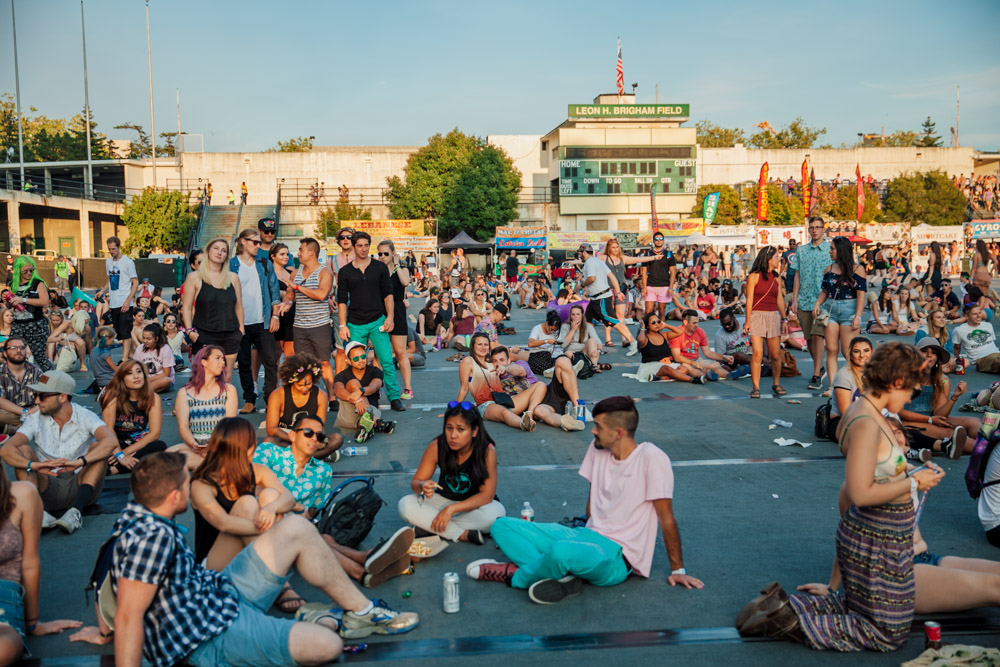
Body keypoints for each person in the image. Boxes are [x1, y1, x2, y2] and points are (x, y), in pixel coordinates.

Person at [79, 451, 418, 665]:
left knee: (296, 528)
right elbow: (128, 616)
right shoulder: (150, 539)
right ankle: (323, 620)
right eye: (185, 483)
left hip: (213, 593)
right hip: (207, 637)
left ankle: (362, 612)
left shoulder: (141, 510)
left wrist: (103, 632)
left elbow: (108, 577)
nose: (190, 485)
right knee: (327, 646)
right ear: (172, 496)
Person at [737, 342, 944, 650]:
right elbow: (859, 492)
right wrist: (913, 483)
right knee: (887, 631)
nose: (911, 398)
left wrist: (913, 471)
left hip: (879, 538)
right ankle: (786, 621)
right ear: (897, 382)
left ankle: (785, 606)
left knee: (860, 607)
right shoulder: (866, 422)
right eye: (912, 390)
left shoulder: (868, 412)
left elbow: (877, 467)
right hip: (876, 541)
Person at [467, 395, 703, 604]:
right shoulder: (597, 447)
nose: (593, 431)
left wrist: (678, 570)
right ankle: (553, 573)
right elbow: (593, 503)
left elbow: (666, 518)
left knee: (560, 552)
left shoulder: (651, 457)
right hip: (584, 535)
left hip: (617, 556)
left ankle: (515, 576)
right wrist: (583, 535)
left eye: (598, 427)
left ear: (619, 433)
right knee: (501, 526)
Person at [0, 370, 117, 535]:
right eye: (36, 395)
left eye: (42, 396)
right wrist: (34, 465)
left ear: (62, 397)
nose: (36, 401)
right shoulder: (35, 418)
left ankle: (76, 511)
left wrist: (80, 461)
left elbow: (111, 441)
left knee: (98, 447)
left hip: (81, 483)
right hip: (48, 483)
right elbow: (6, 449)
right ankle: (38, 512)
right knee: (22, 449)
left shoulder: (85, 415)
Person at [0, 472, 82, 663]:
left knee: (4, 649)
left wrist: (32, 623)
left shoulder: (22, 494)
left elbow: (29, 563)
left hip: (4, 604)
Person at [399, 401, 505, 544]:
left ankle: (432, 526)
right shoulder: (436, 446)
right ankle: (460, 534)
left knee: (495, 514)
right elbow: (416, 483)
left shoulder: (487, 450)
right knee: (405, 504)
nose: (453, 435)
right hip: (442, 501)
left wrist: (451, 510)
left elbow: (487, 496)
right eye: (449, 428)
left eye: (460, 429)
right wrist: (423, 485)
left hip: (473, 505)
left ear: (474, 431)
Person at [337, 232, 404, 412]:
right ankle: (363, 398)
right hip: (355, 324)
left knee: (387, 361)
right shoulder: (345, 272)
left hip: (377, 321)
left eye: (366, 245)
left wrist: (390, 317)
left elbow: (388, 294)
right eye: (360, 245)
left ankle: (394, 397)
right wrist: (342, 325)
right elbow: (341, 299)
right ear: (353, 247)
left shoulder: (379, 267)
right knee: (356, 363)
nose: (364, 249)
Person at [898, 337, 978, 459]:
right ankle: (987, 451)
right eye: (924, 351)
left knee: (974, 422)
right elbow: (899, 411)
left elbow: (939, 414)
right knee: (950, 433)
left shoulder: (943, 379)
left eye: (934, 352)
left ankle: (986, 447)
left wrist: (954, 398)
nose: (929, 355)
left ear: (937, 359)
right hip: (905, 421)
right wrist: (930, 420)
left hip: (932, 418)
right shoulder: (904, 376)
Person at [231, 228, 283, 415]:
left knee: (270, 362)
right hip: (240, 323)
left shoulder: (264, 263)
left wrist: (275, 316)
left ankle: (270, 399)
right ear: (243, 242)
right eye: (255, 242)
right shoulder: (231, 265)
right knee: (244, 363)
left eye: (259, 243)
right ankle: (249, 399)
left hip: (263, 321)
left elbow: (274, 291)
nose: (258, 246)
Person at [182, 238, 245, 382]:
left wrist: (241, 330)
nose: (219, 252)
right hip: (204, 334)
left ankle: (223, 399)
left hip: (230, 335)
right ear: (208, 251)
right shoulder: (194, 277)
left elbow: (239, 306)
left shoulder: (233, 278)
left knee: (226, 378)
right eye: (216, 248)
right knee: (203, 379)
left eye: (224, 250)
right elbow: (186, 307)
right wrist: (189, 331)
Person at [812, 236, 867, 395]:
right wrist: (817, 304)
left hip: (849, 310)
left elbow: (861, 294)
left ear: (841, 251)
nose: (830, 251)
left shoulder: (858, 269)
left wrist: (858, 317)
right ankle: (833, 387)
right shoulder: (829, 269)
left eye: (832, 249)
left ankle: (854, 385)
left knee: (848, 352)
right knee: (831, 350)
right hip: (830, 310)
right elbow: (825, 291)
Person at [169, 346, 238, 470]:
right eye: (217, 358)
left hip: (221, 445)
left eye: (223, 359)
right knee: (168, 454)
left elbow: (229, 426)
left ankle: (206, 463)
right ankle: (211, 464)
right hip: (196, 447)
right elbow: (183, 426)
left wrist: (212, 447)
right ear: (204, 362)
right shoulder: (184, 392)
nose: (223, 362)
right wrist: (194, 445)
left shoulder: (228, 390)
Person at [489, 346, 586, 432]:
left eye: (502, 360)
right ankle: (568, 423)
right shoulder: (493, 379)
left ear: (509, 361)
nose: (498, 364)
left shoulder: (520, 363)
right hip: (538, 406)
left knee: (562, 361)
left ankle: (578, 408)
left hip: (547, 391)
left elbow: (519, 371)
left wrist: (506, 368)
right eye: (495, 361)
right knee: (540, 411)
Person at [99, 360, 168, 475]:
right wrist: (119, 454)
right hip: (114, 444)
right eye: (130, 373)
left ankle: (115, 469)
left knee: (160, 446)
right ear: (122, 379)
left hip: (137, 446)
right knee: (95, 449)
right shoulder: (112, 395)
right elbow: (108, 430)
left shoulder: (153, 398)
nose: (136, 376)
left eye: (139, 371)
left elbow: (154, 434)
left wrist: (125, 453)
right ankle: (126, 465)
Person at [264, 355, 341, 457]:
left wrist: (313, 440)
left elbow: (320, 427)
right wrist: (295, 439)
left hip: (310, 437)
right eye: (300, 385)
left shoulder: (321, 395)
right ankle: (315, 456)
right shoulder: (277, 395)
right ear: (291, 381)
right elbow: (271, 429)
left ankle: (297, 457)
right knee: (268, 441)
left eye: (308, 384)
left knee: (337, 438)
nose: (305, 388)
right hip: (288, 437)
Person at [287, 237, 336, 398]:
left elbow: (322, 295)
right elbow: (289, 296)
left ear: (311, 252)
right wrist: (284, 304)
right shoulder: (295, 273)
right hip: (300, 326)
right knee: (304, 364)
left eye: (301, 250)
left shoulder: (324, 272)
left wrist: (297, 287)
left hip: (319, 325)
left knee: (324, 363)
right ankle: (311, 396)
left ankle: (332, 397)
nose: (298, 253)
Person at [577, 244, 639, 356]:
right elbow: (612, 276)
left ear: (584, 252)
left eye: (580, 254)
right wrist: (618, 292)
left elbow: (592, 278)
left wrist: (581, 285)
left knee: (613, 322)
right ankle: (593, 346)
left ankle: (633, 342)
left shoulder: (589, 262)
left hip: (601, 298)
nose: (579, 256)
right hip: (597, 298)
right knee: (587, 322)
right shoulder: (599, 261)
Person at [791, 217, 831, 390]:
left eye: (818, 227)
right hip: (804, 300)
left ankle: (816, 375)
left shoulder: (830, 250)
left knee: (818, 336)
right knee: (808, 339)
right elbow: (797, 275)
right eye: (812, 227)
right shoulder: (801, 250)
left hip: (823, 300)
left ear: (823, 229)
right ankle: (819, 367)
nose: (814, 230)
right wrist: (794, 299)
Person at [744, 246, 787, 399]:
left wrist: (784, 318)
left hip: (773, 316)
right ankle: (755, 387)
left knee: (775, 354)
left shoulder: (777, 277)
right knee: (757, 354)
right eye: (776, 257)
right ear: (768, 259)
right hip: (757, 315)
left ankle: (776, 383)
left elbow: (779, 299)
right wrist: (747, 321)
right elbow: (749, 300)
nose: (778, 259)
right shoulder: (754, 276)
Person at [333, 341, 396, 443]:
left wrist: (361, 391)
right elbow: (338, 391)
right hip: (349, 411)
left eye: (363, 356)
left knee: (365, 416)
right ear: (348, 361)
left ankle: (368, 427)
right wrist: (357, 400)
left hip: (371, 408)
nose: (361, 360)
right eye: (356, 358)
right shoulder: (342, 375)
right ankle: (377, 423)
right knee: (353, 383)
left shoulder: (375, 371)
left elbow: (374, 386)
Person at [378, 240, 414, 400]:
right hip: (380, 311)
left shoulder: (402, 269)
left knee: (400, 352)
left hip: (398, 310)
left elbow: (405, 282)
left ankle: (408, 388)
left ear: (393, 253)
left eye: (386, 253)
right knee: (379, 354)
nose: (382, 256)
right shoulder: (377, 270)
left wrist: (397, 264)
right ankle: (376, 387)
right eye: (380, 253)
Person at [7, 257, 52, 372]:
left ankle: (54, 380)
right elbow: (9, 305)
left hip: (35, 324)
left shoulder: (37, 283)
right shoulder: (13, 284)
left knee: (39, 357)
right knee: (13, 354)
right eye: (25, 271)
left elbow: (45, 301)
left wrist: (23, 300)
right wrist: (8, 300)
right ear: (18, 271)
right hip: (18, 324)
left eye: (31, 270)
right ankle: (18, 379)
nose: (29, 273)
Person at [98, 237, 137, 356]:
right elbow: (110, 279)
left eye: (113, 249)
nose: (111, 251)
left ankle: (124, 358)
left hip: (124, 301)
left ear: (119, 247)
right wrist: (103, 290)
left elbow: (135, 282)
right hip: (114, 302)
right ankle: (132, 355)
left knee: (125, 332)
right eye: (109, 249)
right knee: (120, 332)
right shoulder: (108, 262)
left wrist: (128, 301)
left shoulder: (128, 262)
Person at [669, 310, 734, 381]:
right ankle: (704, 376)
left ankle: (730, 375)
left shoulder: (700, 331)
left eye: (697, 322)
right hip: (683, 361)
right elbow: (677, 357)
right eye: (694, 323)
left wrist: (724, 357)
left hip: (697, 359)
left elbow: (708, 353)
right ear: (685, 322)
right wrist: (693, 363)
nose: (697, 325)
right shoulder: (676, 333)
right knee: (686, 366)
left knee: (716, 364)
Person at [830, 337, 872, 439]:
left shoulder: (877, 372)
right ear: (850, 355)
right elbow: (846, 413)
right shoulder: (844, 375)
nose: (862, 355)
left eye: (866, 350)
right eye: (857, 351)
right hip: (842, 422)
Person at [0, 338, 41, 436]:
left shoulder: (36, 370)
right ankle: (32, 427)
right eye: (13, 348)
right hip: (10, 412)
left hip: (34, 411)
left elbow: (47, 394)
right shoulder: (1, 372)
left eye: (22, 348)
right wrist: (25, 412)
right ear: (5, 353)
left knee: (55, 406)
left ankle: (15, 429)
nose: (18, 350)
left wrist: (35, 409)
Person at [953, 304, 1000, 373]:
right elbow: (957, 347)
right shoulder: (959, 330)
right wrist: (956, 360)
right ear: (966, 316)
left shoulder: (988, 325)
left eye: (979, 313)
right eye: (975, 314)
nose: (978, 316)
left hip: (997, 353)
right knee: (998, 361)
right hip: (981, 359)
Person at [641, 232, 677, 320]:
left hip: (664, 285)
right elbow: (644, 272)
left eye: (661, 239)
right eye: (656, 239)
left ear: (663, 241)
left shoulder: (669, 254)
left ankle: (660, 328)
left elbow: (673, 272)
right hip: (650, 285)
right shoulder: (648, 254)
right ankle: (646, 328)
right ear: (653, 241)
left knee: (661, 311)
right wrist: (644, 287)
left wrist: (671, 287)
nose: (659, 241)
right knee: (648, 311)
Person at [558, 304, 606, 368]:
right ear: (570, 316)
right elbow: (562, 345)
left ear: (582, 315)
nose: (575, 316)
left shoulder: (588, 326)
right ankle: (590, 365)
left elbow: (597, 341)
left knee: (592, 340)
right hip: (572, 353)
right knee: (568, 353)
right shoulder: (565, 326)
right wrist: (573, 329)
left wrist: (598, 351)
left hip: (585, 353)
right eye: (573, 314)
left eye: (578, 314)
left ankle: (594, 365)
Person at [132, 323, 175, 394]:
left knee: (166, 381)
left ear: (156, 338)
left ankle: (139, 392)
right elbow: (135, 367)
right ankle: (143, 391)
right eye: (143, 338)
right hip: (143, 380)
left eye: (148, 339)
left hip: (159, 380)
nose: (145, 341)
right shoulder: (140, 348)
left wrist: (147, 380)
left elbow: (166, 374)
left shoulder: (165, 349)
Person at [87, 327, 117, 394]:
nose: (112, 342)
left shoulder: (93, 350)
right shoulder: (104, 353)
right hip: (109, 381)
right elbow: (116, 370)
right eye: (112, 340)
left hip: (100, 381)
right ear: (107, 338)